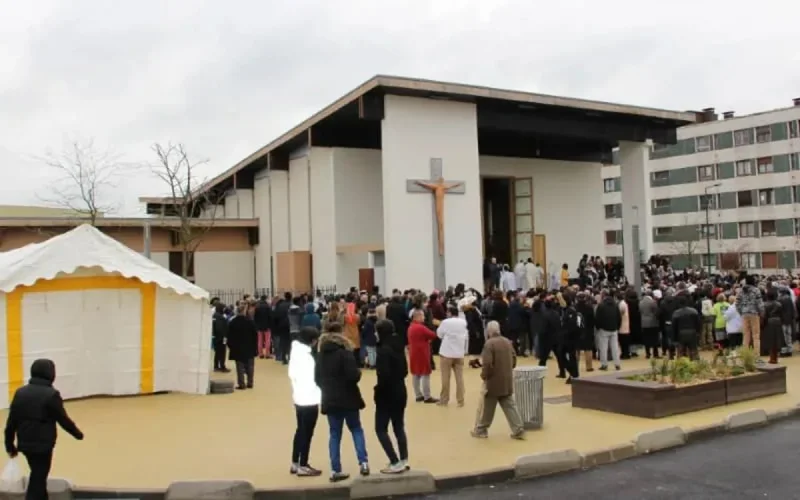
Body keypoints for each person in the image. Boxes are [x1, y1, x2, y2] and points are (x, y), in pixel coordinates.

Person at [5, 359, 84, 500]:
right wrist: (78, 434)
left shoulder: (20, 393)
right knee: (38, 477)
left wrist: (9, 445)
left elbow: (12, 421)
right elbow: (63, 419)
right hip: (43, 446)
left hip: (25, 444)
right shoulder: (51, 395)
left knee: (38, 474)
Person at [315, 331, 370, 482]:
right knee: (356, 429)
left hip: (330, 399)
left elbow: (317, 379)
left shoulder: (321, 357)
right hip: (349, 398)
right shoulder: (345, 354)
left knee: (334, 434)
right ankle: (363, 462)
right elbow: (354, 376)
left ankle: (335, 469)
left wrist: (327, 388)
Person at [471, 321, 525, 440]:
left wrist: (484, 375)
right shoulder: (507, 341)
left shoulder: (489, 344)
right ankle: (518, 428)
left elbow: (487, 363)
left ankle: (481, 429)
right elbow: (514, 358)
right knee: (509, 404)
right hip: (507, 378)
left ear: (489, 331)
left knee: (488, 405)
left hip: (493, 380)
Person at [373, 320, 410, 474]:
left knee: (380, 428)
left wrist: (378, 392)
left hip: (386, 394)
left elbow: (383, 375)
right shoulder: (399, 347)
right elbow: (405, 371)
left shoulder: (382, 351)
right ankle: (404, 459)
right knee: (398, 426)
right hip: (400, 390)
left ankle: (394, 461)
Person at [289, 327, 322, 477]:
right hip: (309, 397)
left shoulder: (295, 352)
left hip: (298, 395)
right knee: (307, 432)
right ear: (313, 341)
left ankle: (295, 462)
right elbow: (311, 379)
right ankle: (303, 464)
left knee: (300, 430)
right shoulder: (308, 357)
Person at [436, 305, 468, 407]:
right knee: (459, 378)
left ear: (449, 312)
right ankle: (461, 400)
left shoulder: (445, 322)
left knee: (445, 378)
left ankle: (444, 400)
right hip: (459, 353)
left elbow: (439, 334)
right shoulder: (463, 322)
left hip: (446, 353)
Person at [407, 309, 438, 403]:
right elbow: (433, 335)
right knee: (425, 373)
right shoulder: (421, 327)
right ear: (418, 317)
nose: (424, 317)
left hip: (413, 352)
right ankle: (427, 396)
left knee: (416, 374)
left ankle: (418, 395)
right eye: (423, 316)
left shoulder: (411, 327)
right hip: (422, 353)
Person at [227, 302, 258, 389]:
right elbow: (255, 335)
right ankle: (250, 382)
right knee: (250, 366)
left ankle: (241, 384)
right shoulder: (250, 322)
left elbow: (229, 336)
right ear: (244, 311)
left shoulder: (233, 322)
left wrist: (231, 346)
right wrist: (255, 346)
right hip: (249, 347)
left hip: (237, 348)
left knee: (239, 366)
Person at [594, 291, 622, 371]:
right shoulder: (615, 305)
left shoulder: (601, 306)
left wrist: (598, 327)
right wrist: (617, 327)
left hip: (604, 329)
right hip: (614, 329)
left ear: (603, 296)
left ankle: (604, 364)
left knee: (603, 348)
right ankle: (617, 364)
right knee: (615, 347)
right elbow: (619, 317)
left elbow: (597, 318)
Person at [212, 303, 231, 372]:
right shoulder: (220, 317)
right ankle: (222, 367)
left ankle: (216, 366)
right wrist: (225, 337)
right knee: (222, 352)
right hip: (222, 338)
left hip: (217, 338)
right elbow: (220, 328)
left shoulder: (215, 315)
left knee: (217, 352)